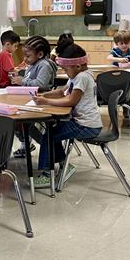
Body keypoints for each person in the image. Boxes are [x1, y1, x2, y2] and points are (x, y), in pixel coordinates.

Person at [32, 40, 102, 187]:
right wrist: (44, 96)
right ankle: (65, 165)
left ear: (77, 65)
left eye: (65, 69)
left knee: (48, 136)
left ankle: (46, 174)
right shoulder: (78, 75)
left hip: (86, 126)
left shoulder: (82, 78)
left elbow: (71, 101)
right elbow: (61, 91)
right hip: (83, 123)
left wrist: (46, 101)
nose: (64, 72)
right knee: (52, 131)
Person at [11, 36, 57, 158]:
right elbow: (28, 79)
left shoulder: (44, 65)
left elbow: (41, 85)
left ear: (40, 54)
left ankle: (44, 143)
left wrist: (23, 82)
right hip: (30, 99)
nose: (25, 59)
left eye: (28, 56)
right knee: (15, 121)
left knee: (24, 123)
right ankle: (27, 143)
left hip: (41, 102)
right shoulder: (33, 64)